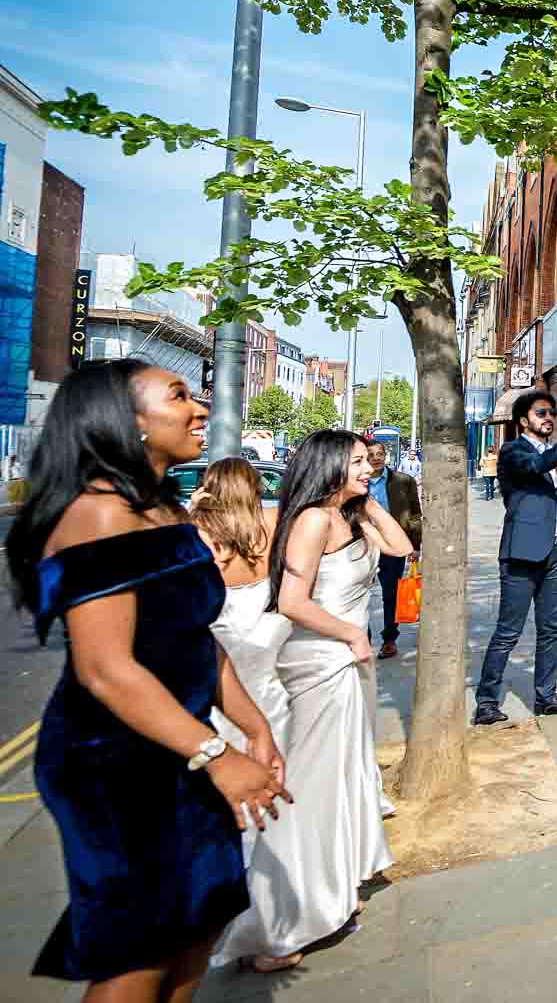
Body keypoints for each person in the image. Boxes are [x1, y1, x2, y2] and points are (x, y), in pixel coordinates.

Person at [4, 360, 290, 999]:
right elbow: (105, 670)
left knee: (199, 919)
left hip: (182, 747)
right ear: (128, 423)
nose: (199, 408)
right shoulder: (98, 513)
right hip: (113, 760)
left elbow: (195, 635)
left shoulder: (165, 510)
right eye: (179, 395)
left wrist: (254, 725)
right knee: (140, 949)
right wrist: (216, 756)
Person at [246, 431, 413, 962]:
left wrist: (364, 503)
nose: (370, 468)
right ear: (330, 466)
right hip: (319, 661)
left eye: (369, 461)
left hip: (348, 661)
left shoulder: (349, 515)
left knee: (345, 777)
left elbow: (403, 547)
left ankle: (334, 888)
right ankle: (278, 926)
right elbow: (292, 600)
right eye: (359, 462)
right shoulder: (314, 519)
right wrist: (350, 634)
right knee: (310, 786)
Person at [191, 460, 301, 973]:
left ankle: (227, 925)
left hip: (224, 689)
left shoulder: (198, 536)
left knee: (229, 816)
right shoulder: (274, 525)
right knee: (272, 812)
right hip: (268, 690)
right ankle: (269, 934)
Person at [472, 391, 557, 724]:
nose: (548, 417)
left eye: (552, 413)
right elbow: (536, 466)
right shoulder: (512, 452)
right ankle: (487, 702)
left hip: (556, 552)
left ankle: (546, 696)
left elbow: (555, 502)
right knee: (508, 630)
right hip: (522, 554)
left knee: (551, 628)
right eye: (541, 413)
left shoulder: (549, 453)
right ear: (523, 420)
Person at [363, 440, 422, 660]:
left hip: (393, 546)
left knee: (392, 594)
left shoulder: (403, 481)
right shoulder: (357, 481)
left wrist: (415, 545)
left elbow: (415, 514)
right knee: (360, 594)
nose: (376, 458)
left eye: (380, 454)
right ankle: (364, 638)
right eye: (371, 454)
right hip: (363, 545)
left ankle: (389, 639)